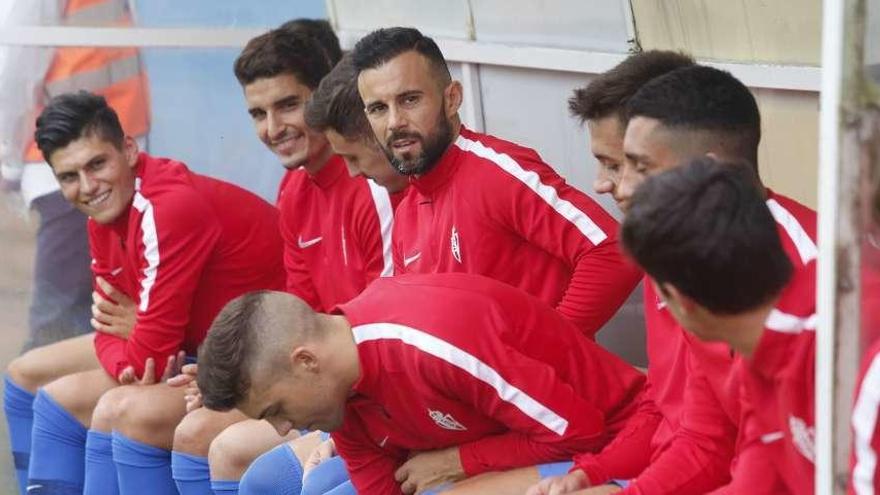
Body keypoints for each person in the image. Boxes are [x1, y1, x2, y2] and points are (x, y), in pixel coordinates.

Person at [529, 63, 817, 494]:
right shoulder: (684, 253)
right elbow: (708, 436)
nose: (618, 188)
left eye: (637, 166)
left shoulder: (819, 295)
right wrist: (599, 479)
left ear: (708, 172)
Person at [2, 91, 284, 495]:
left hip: (262, 357)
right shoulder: (103, 215)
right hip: (199, 347)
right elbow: (109, 326)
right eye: (69, 176)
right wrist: (135, 339)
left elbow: (150, 356)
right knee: (25, 377)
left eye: (97, 164)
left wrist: (137, 338)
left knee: (118, 409)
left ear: (129, 150)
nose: (87, 186)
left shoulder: (166, 206)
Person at [168, 25, 403, 495]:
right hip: (316, 373)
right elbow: (300, 311)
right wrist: (236, 372)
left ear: (322, 98)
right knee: (196, 431)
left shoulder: (369, 183)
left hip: (370, 387)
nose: (273, 129)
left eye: (287, 105)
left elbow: (392, 313)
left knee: (231, 449)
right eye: (258, 113)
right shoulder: (294, 191)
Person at [197, 273, 646, 495]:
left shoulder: (433, 343)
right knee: (272, 478)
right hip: (515, 439)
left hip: (616, 442)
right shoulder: (338, 383)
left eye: (276, 409)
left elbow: (583, 432)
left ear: (306, 361)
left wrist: (459, 461)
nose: (281, 428)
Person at [351, 27, 642, 339]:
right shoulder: (407, 213)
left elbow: (613, 251)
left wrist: (551, 348)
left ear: (452, 99)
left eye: (409, 99)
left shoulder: (496, 172)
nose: (395, 122)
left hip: (541, 386)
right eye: (378, 108)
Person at [1, 3, 150, 487]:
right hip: (66, 168)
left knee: (92, 323)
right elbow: (14, 61)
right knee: (52, 335)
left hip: (104, 164)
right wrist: (5, 160)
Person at [620, 157, 816, 493]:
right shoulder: (763, 348)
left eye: (639, 166)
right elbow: (750, 478)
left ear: (679, 300)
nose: (618, 185)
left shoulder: (832, 351)